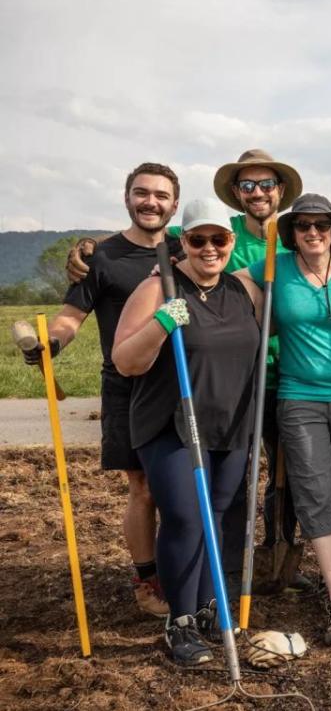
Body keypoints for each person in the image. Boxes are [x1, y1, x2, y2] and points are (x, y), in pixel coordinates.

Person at [70, 150, 303, 589]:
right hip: (201, 388)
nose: (257, 193)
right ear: (235, 193)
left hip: (271, 383)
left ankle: (262, 568)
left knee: (269, 485)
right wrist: (92, 248)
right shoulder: (217, 226)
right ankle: (200, 590)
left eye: (267, 184)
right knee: (199, 506)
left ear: (282, 191)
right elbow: (149, 233)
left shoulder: (295, 236)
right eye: (247, 185)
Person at [24, 163, 184, 619]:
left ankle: (183, 571)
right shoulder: (102, 257)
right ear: (126, 197)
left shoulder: (187, 248)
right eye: (141, 193)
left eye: (160, 195)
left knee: (180, 487)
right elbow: (70, 317)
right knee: (144, 488)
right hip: (126, 386)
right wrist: (50, 342)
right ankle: (147, 579)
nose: (150, 201)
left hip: (180, 384)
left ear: (175, 203)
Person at [112, 197, 263, 666]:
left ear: (231, 242)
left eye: (219, 239)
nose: (210, 248)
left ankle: (204, 608)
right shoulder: (158, 289)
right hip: (172, 425)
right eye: (198, 240)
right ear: (184, 242)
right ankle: (179, 623)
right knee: (185, 518)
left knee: (216, 517)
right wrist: (161, 322)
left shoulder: (244, 290)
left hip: (230, 422)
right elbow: (125, 360)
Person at [244, 193, 331, 644]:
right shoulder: (273, 268)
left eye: (322, 225)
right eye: (303, 226)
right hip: (299, 398)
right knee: (315, 490)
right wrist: (171, 260)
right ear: (292, 233)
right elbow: (221, 276)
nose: (313, 233)